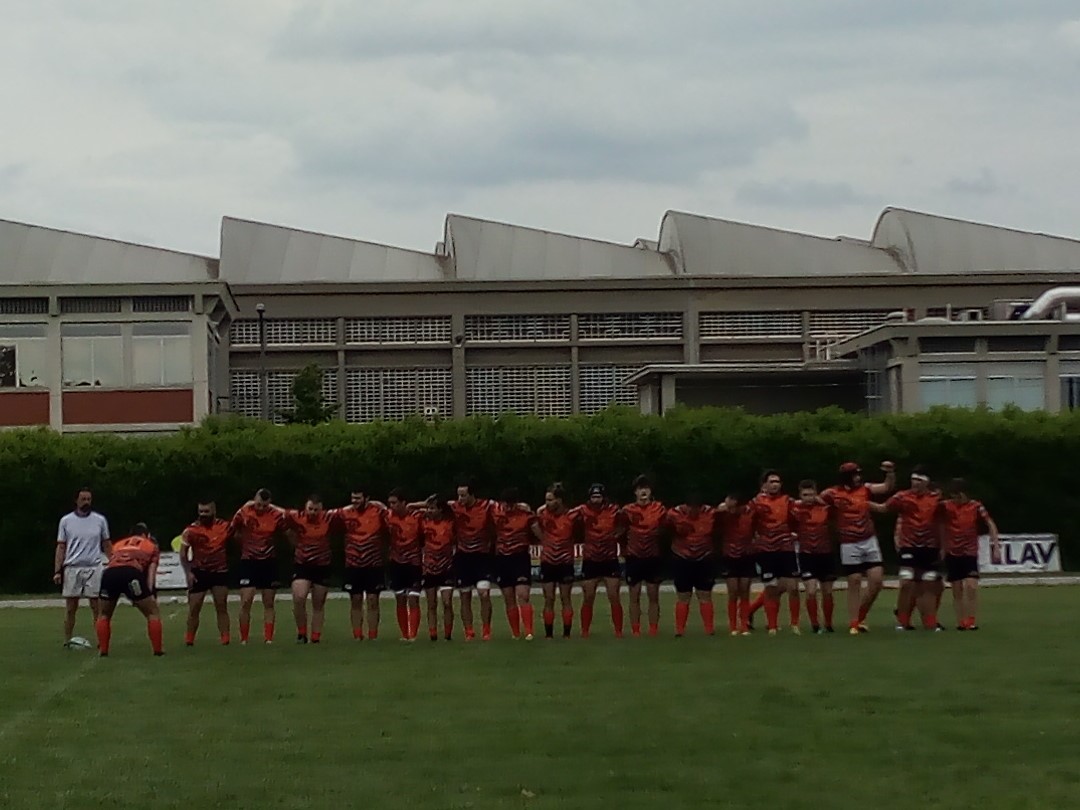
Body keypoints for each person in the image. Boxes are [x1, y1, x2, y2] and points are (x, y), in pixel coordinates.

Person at [820, 460, 896, 634]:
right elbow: (815, 502)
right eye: (855, 475)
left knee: (876, 581)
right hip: (848, 542)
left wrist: (890, 473)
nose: (858, 478)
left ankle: (861, 614)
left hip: (868, 540)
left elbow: (886, 487)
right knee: (854, 581)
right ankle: (854, 622)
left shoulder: (865, 489)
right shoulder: (832, 493)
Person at [871, 466, 942, 631]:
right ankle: (903, 621)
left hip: (929, 547)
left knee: (928, 584)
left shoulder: (936, 499)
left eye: (919, 480)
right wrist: (863, 504)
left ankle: (929, 622)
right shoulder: (902, 497)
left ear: (926, 482)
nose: (915, 483)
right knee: (907, 581)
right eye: (913, 479)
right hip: (908, 545)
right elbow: (883, 508)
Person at [939, 478, 1000, 631]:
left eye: (958, 496)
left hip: (970, 552)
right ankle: (961, 621)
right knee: (957, 589)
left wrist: (996, 546)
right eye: (953, 496)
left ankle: (971, 620)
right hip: (952, 551)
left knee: (971, 586)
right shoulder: (946, 506)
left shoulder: (976, 506)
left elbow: (990, 523)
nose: (956, 499)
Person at [54, 487, 111, 648]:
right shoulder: (66, 521)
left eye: (88, 499)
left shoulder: (100, 520)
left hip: (94, 566)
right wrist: (57, 570)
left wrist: (113, 562)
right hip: (72, 567)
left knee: (97, 607)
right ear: (76, 500)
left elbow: (106, 544)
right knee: (71, 607)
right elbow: (61, 546)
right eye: (83, 499)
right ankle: (67, 640)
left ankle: (101, 640)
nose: (86, 502)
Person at [95, 523, 163, 657]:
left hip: (110, 574)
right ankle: (158, 649)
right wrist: (150, 592)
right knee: (152, 612)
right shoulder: (151, 545)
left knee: (104, 614)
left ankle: (103, 650)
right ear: (144, 535)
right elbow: (151, 572)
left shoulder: (119, 544)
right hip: (131, 573)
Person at [229, 488, 287, 644]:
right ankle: (244, 638)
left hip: (269, 561)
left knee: (268, 601)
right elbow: (232, 530)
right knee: (246, 600)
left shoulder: (276, 514)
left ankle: (268, 638)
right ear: (254, 499)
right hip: (249, 560)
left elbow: (288, 525)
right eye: (259, 504)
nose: (261, 508)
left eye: (265, 506)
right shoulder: (244, 511)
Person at [750, 471, 801, 636]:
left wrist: (796, 533)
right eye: (772, 481)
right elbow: (748, 522)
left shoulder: (788, 501)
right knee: (771, 588)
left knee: (792, 587)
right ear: (764, 484)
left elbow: (797, 520)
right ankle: (772, 625)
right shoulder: (756, 502)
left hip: (786, 548)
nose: (775, 484)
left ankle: (795, 624)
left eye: (777, 481)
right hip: (766, 550)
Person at [338, 488, 388, 641]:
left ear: (366, 498)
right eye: (353, 498)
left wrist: (382, 505)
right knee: (356, 600)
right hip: (353, 564)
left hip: (373, 564)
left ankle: (373, 635)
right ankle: (357, 635)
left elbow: (393, 516)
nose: (355, 501)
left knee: (373, 600)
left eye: (358, 498)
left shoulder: (378, 511)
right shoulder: (345, 513)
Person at [179, 500, 231, 646]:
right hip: (199, 572)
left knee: (221, 605)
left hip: (219, 571)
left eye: (206, 511)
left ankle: (225, 637)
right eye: (201, 512)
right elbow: (183, 553)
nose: (203, 515)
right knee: (194, 608)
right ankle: (189, 638)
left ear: (214, 511)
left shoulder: (225, 526)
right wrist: (188, 572)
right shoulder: (191, 530)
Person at [532, 482, 580, 639]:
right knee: (549, 599)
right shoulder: (542, 514)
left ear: (559, 500)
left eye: (550, 500)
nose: (547, 503)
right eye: (546, 500)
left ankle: (567, 633)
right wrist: (545, 541)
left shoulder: (571, 516)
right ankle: (549, 634)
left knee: (566, 598)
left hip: (565, 562)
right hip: (547, 561)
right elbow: (534, 526)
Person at [576, 484, 625, 639]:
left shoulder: (614, 510)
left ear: (604, 497)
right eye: (593, 497)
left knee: (614, 596)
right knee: (588, 597)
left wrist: (615, 535)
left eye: (598, 497)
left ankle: (618, 631)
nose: (596, 500)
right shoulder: (582, 510)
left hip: (610, 558)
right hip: (591, 558)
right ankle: (585, 631)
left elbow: (625, 523)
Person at [450, 479, 496, 641]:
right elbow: (431, 505)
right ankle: (469, 631)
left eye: (463, 495)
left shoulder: (487, 506)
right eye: (458, 495)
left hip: (482, 557)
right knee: (465, 596)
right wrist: (413, 505)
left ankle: (486, 629)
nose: (460, 499)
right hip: (463, 557)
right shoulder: (454, 506)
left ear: (472, 494)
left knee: (484, 594)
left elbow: (506, 506)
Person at [284, 495, 335, 644]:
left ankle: (316, 636)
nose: (312, 512)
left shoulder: (329, 519)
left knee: (318, 603)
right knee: (299, 597)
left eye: (316, 510)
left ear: (321, 509)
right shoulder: (297, 517)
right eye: (310, 509)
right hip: (302, 564)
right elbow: (282, 519)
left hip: (322, 565)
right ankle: (301, 633)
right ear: (305, 508)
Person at [621, 475, 666, 637]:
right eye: (640, 489)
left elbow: (665, 530)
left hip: (653, 557)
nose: (643, 492)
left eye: (646, 488)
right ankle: (636, 630)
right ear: (635, 492)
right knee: (634, 595)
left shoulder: (659, 509)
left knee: (653, 595)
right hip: (634, 557)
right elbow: (620, 532)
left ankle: (653, 629)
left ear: (650, 491)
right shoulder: (627, 511)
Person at [666, 493, 717, 636]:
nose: (693, 511)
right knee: (683, 595)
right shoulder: (674, 514)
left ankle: (709, 628)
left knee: (705, 594)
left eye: (696, 508)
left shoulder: (711, 513)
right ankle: (679, 630)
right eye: (691, 508)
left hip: (704, 557)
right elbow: (664, 530)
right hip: (682, 557)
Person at [792, 481, 836, 634]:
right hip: (807, 554)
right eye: (805, 495)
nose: (808, 498)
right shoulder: (795, 509)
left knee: (827, 591)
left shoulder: (825, 508)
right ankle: (815, 624)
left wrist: (822, 501)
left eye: (811, 494)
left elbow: (839, 512)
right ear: (800, 495)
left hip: (825, 553)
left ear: (816, 494)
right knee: (811, 591)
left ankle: (828, 624)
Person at [492, 488, 536, 640]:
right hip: (502, 558)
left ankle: (529, 631)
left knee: (523, 594)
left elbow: (537, 530)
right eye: (506, 504)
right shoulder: (495, 512)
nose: (508, 507)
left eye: (511, 504)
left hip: (520, 557)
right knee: (508, 597)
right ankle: (515, 633)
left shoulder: (525, 514)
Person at [386, 489, 424, 641]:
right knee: (400, 598)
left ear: (403, 503)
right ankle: (404, 634)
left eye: (395, 503)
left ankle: (413, 634)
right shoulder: (388, 516)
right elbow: (373, 504)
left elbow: (434, 506)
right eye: (390, 503)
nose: (391, 506)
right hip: (396, 562)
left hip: (414, 563)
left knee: (413, 598)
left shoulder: (417, 516)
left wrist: (414, 505)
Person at [717, 492, 756, 635]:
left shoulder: (750, 513)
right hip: (729, 555)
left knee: (745, 591)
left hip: (746, 555)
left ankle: (744, 624)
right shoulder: (722, 514)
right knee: (733, 591)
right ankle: (733, 626)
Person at [420, 498, 457, 641]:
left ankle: (448, 634)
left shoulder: (450, 523)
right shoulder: (424, 523)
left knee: (447, 602)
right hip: (429, 568)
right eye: (428, 508)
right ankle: (433, 634)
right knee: (431, 603)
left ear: (440, 509)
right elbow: (410, 507)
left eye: (432, 508)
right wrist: (425, 504)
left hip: (446, 567)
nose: (429, 511)